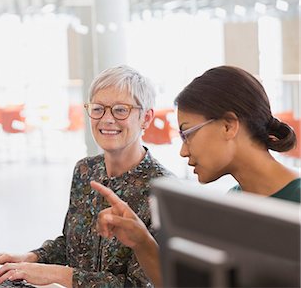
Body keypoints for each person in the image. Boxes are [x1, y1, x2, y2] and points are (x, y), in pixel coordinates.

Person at [91, 65, 300, 287]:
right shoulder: (234, 204)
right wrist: (141, 241)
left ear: (228, 126)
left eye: (187, 134)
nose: (183, 151)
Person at [0, 65, 173, 287]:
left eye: (120, 110)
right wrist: (31, 258)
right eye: (98, 109)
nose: (106, 119)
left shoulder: (164, 190)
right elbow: (71, 244)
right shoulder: (85, 170)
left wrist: (56, 275)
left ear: (146, 118)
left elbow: (139, 284)